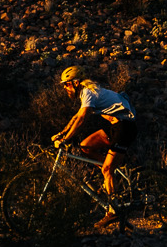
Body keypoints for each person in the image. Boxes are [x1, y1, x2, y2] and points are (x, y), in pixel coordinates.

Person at [50, 65, 137, 215]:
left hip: (125, 127)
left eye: (67, 84)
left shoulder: (88, 92)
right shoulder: (86, 92)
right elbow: (76, 117)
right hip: (115, 126)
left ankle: (113, 210)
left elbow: (83, 118)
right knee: (85, 146)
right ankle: (109, 174)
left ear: (76, 82)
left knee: (107, 169)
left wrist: (67, 139)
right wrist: (62, 134)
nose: (65, 88)